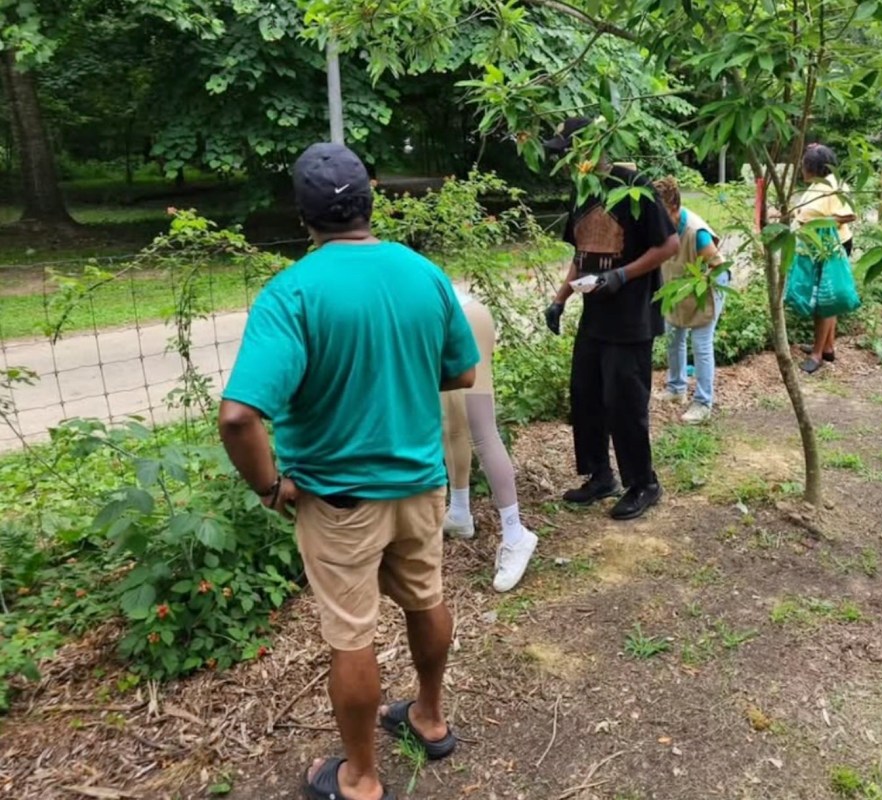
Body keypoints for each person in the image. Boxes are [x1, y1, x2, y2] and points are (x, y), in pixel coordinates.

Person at [218, 142, 480, 800]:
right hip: (421, 484)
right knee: (428, 600)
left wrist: (268, 486)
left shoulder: (292, 293)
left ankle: (361, 778)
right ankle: (430, 715)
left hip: (338, 499)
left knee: (350, 635)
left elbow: (238, 417)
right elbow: (462, 370)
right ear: (372, 198)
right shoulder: (423, 274)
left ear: (303, 215)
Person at [540, 117, 680, 520]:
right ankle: (601, 475)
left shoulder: (633, 186)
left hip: (631, 318)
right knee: (586, 397)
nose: (564, 160)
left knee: (625, 403)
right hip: (595, 316)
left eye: (568, 150)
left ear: (592, 147)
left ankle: (644, 483)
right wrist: (560, 299)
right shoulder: (583, 190)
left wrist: (621, 275)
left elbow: (669, 243)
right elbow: (581, 254)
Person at [441, 287, 537, 592]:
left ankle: (515, 535)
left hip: (464, 319)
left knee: (481, 429)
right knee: (451, 424)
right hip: (443, 322)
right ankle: (459, 512)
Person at [651, 176, 729, 424]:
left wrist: (700, 285)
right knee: (674, 337)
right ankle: (677, 388)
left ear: (673, 207)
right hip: (678, 287)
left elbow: (718, 267)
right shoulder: (660, 226)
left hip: (706, 286)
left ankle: (703, 403)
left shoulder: (696, 232)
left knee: (701, 344)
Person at [795, 143, 857, 374]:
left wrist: (814, 224)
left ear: (814, 167)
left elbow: (848, 215)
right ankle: (828, 347)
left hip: (833, 246)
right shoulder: (817, 186)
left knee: (826, 299)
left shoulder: (835, 186)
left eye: (804, 165)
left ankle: (817, 355)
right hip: (818, 246)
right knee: (824, 297)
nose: (801, 169)